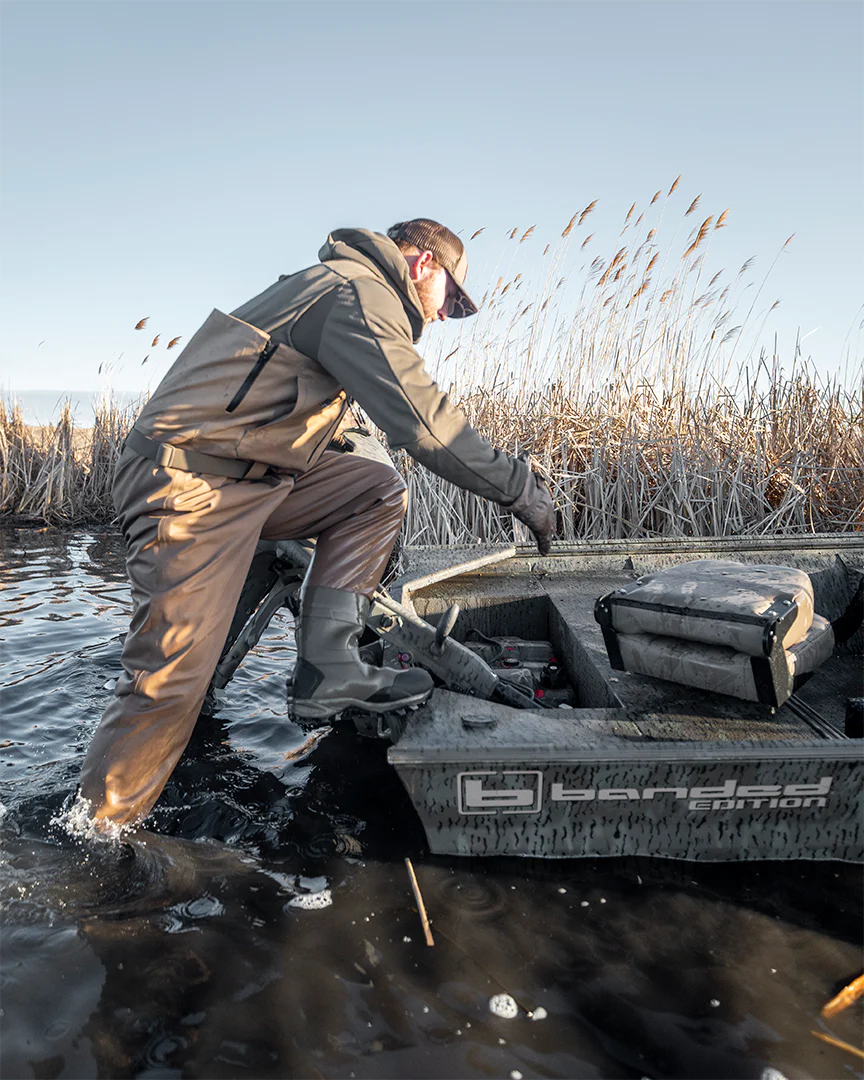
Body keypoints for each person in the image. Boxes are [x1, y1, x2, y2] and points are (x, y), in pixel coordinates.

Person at [78, 219, 555, 827]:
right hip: (189, 486)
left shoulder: (342, 292)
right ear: (423, 266)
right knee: (168, 685)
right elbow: (429, 427)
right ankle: (95, 847)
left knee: (376, 490)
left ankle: (328, 669)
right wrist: (524, 493)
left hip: (249, 483)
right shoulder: (358, 293)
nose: (445, 315)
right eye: (453, 300)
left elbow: (304, 410)